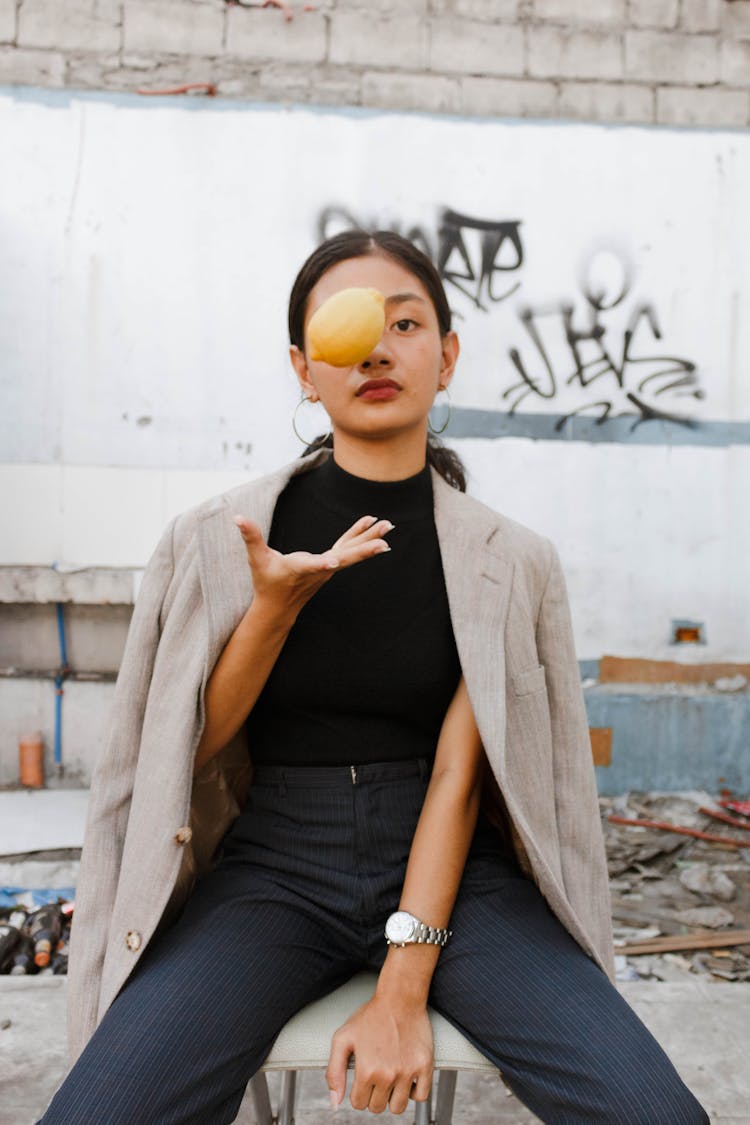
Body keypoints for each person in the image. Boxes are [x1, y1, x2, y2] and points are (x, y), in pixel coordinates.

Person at [38, 231, 708, 1124]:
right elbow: (183, 754)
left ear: (448, 355)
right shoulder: (219, 537)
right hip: (273, 865)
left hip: (457, 871)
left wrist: (402, 983)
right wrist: (274, 607)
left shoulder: (507, 561)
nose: (380, 348)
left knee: (652, 1110)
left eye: (407, 321)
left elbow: (458, 776)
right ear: (304, 368)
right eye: (351, 329)